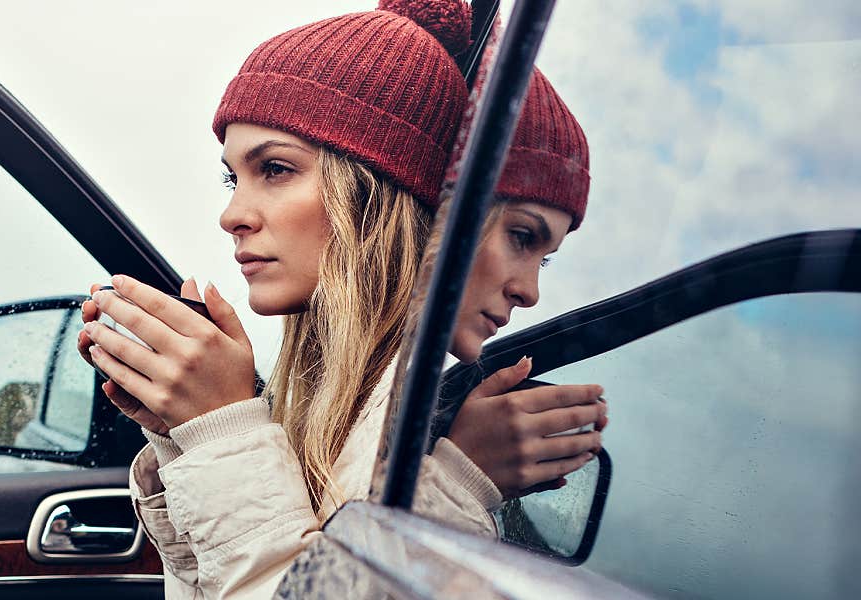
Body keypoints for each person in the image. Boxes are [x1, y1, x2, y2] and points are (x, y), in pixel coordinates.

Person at [77, 2, 599, 597]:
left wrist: (219, 428)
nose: (231, 215)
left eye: (274, 168)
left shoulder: (407, 415)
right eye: (233, 177)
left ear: (376, 194)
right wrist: (182, 437)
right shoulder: (322, 397)